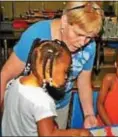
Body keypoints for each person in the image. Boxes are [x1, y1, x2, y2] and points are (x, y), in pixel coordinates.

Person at [0, 1, 103, 129]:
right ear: (65, 21)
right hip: (27, 108)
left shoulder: (89, 46)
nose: (82, 42)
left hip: (60, 107)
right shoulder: (36, 35)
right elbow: (5, 75)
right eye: (78, 34)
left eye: (89, 37)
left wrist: (89, 114)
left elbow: (84, 82)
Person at [1, 39, 92, 136]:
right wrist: (80, 133)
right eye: (65, 71)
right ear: (49, 69)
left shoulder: (14, 83)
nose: (66, 77)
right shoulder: (43, 101)